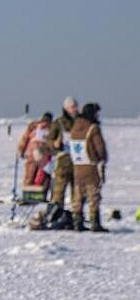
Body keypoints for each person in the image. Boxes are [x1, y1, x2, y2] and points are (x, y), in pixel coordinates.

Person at [67, 101, 109, 232]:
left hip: (77, 167)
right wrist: (102, 158)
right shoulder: (93, 128)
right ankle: (95, 223)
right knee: (93, 196)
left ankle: (77, 222)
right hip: (91, 167)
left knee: (78, 196)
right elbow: (100, 148)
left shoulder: (74, 128)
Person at [48, 97, 80, 208]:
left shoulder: (81, 122)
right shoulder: (58, 123)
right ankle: (57, 214)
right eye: (73, 107)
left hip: (78, 163)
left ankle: (76, 217)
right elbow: (49, 141)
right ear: (66, 108)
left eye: (76, 106)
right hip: (63, 163)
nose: (75, 109)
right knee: (58, 192)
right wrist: (54, 144)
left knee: (77, 193)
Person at [19, 112, 54, 189]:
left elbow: (25, 139)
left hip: (32, 154)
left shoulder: (33, 126)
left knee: (30, 176)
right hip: (44, 157)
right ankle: (39, 194)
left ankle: (28, 193)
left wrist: (21, 150)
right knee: (43, 177)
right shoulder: (51, 128)